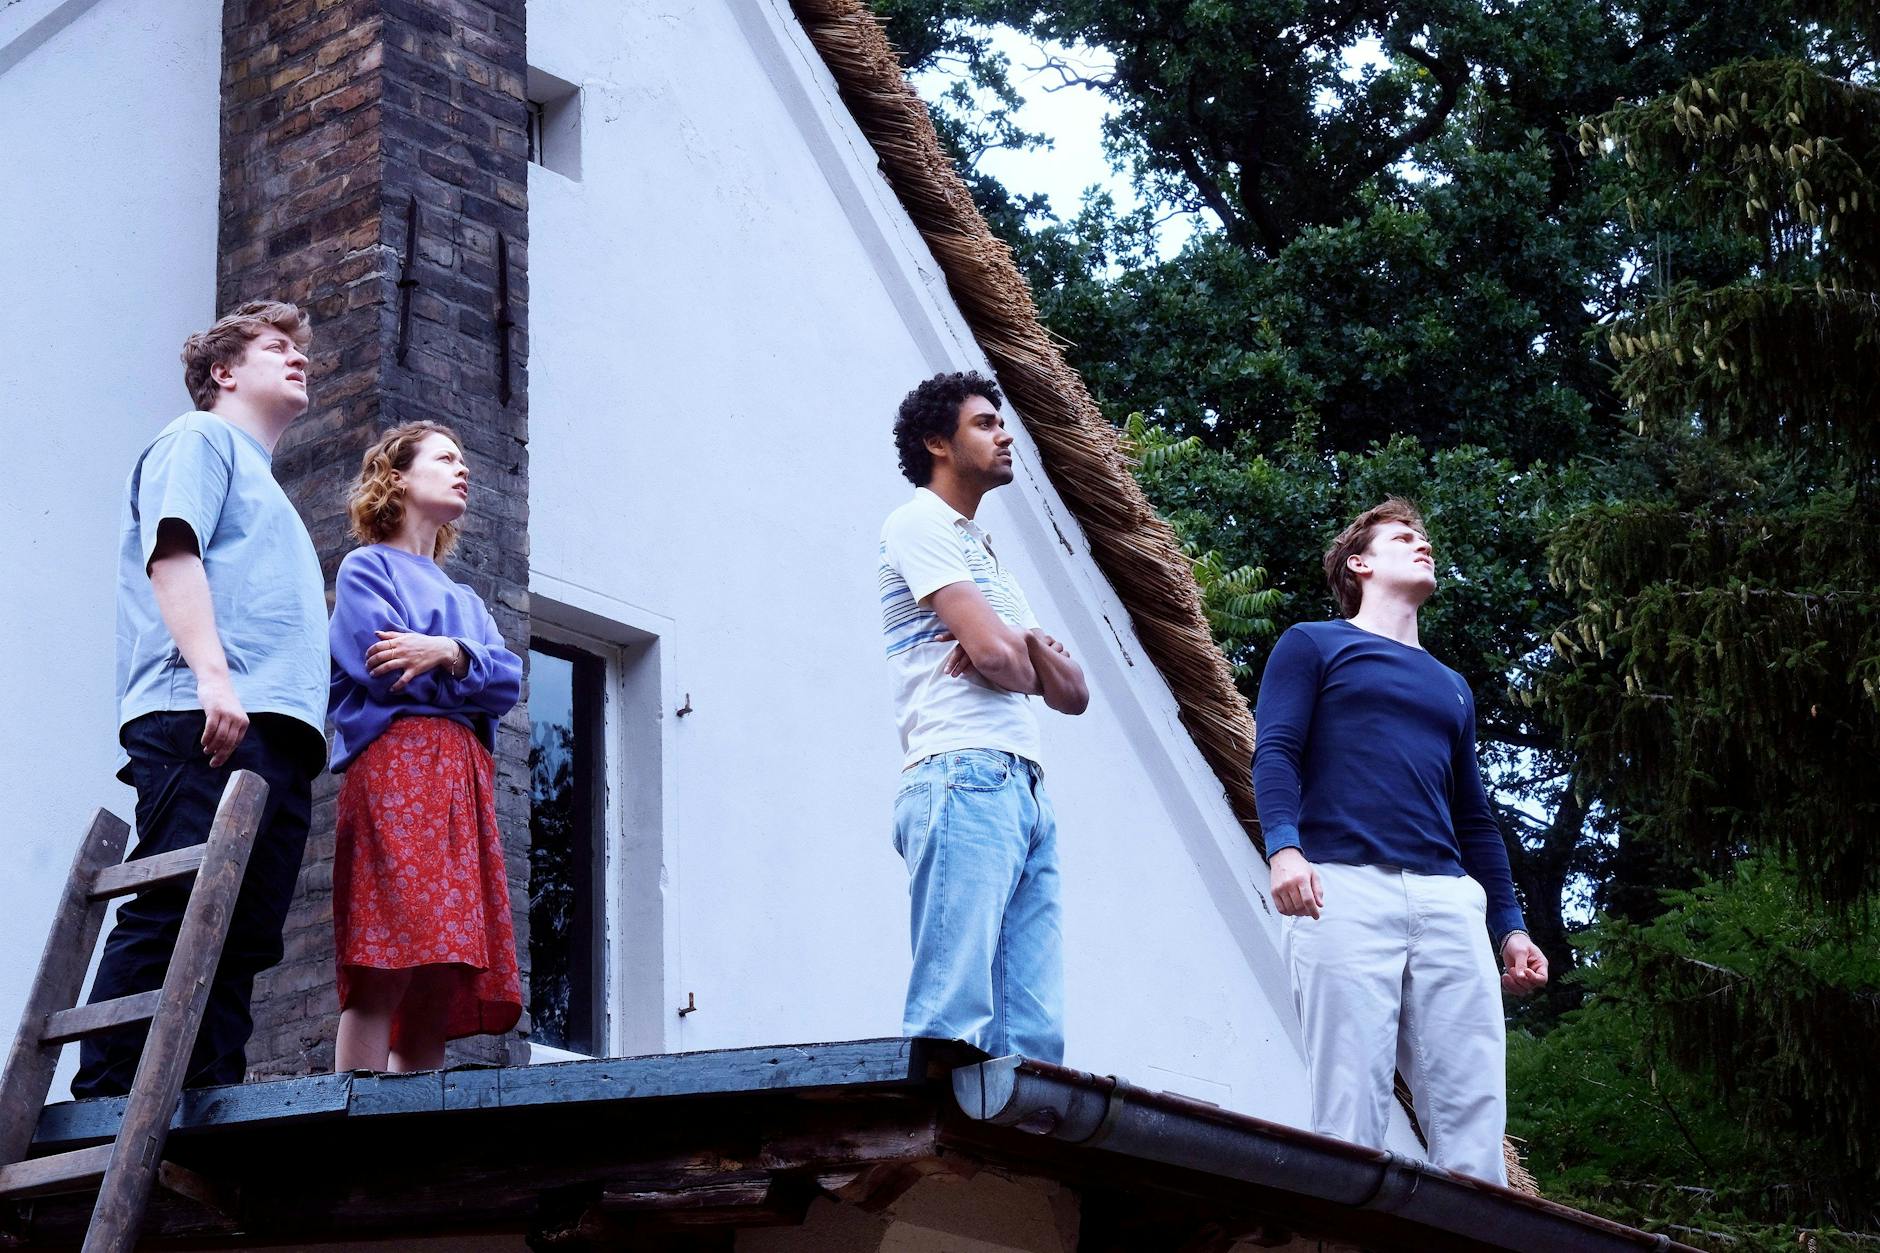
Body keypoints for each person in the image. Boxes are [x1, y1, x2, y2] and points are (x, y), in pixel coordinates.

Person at [1251, 497, 1550, 1183]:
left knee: (1474, 1117)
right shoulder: (1313, 643)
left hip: (1448, 901)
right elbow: (1276, 751)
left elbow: (1474, 817)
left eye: (1425, 538)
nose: (1423, 545)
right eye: (1403, 537)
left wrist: (1510, 928)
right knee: (1349, 1108)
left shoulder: (1452, 686)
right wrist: (1284, 848)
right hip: (1341, 890)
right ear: (1359, 564)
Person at [74, 301, 329, 1098]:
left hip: (277, 731)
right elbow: (173, 554)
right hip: (208, 712)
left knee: (243, 930)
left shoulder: (270, 490)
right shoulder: (199, 439)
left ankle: (205, 1096)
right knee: (179, 901)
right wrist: (213, 679)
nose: (298, 358)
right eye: (276, 347)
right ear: (224, 371)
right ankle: (106, 1097)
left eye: (299, 350)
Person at [878, 371, 1090, 1063]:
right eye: (985, 424)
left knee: (1033, 1036)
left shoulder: (986, 556)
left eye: (1001, 423)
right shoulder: (918, 523)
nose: (1005, 436)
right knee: (953, 1014)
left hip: (1023, 784)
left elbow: (1074, 693)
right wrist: (1017, 649)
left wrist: (1011, 639)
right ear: (937, 442)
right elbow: (1003, 660)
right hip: (961, 770)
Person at [327, 421, 523, 1073]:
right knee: (386, 959)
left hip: (462, 779)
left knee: (440, 970)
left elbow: (509, 681)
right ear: (397, 478)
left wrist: (446, 652)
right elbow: (383, 665)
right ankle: (353, 1114)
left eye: (464, 459)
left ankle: (412, 1126)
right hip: (398, 770)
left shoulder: (466, 600)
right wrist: (469, 675)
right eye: (444, 458)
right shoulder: (367, 568)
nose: (462, 469)